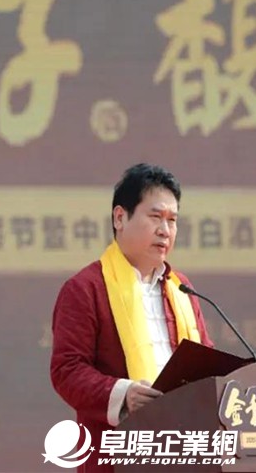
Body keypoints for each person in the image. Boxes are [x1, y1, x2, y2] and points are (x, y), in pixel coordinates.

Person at [50, 163, 214, 472]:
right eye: (155, 217)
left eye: (172, 220)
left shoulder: (182, 289)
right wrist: (124, 394)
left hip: (184, 454)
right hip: (116, 457)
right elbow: (67, 371)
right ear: (120, 218)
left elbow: (205, 363)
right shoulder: (86, 289)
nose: (165, 230)